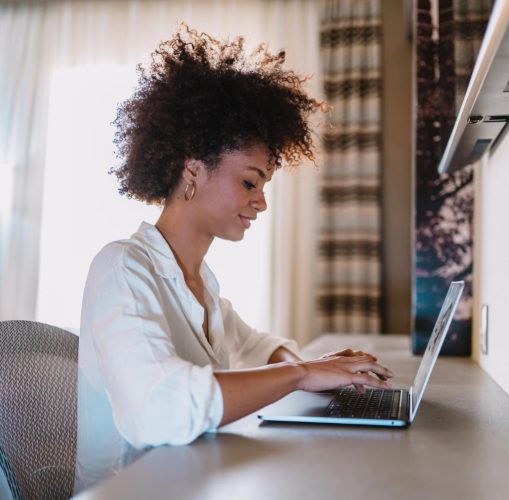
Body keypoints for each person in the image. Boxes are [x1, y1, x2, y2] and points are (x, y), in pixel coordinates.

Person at [74, 26, 393, 493]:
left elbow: (255, 348)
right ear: (192, 170)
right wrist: (300, 374)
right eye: (249, 182)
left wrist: (312, 368)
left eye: (263, 187)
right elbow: (159, 410)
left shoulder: (200, 281)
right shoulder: (120, 270)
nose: (261, 202)